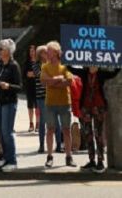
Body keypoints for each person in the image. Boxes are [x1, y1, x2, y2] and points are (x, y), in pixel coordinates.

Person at [68, 64, 120, 173]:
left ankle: (100, 162)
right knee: (88, 134)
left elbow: (114, 73)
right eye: (90, 64)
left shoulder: (101, 74)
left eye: (94, 64)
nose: (92, 66)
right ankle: (91, 160)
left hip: (99, 107)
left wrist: (118, 62)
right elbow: (71, 69)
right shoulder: (84, 73)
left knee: (98, 134)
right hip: (86, 107)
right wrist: (63, 58)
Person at [40, 40, 76, 168]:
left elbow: (69, 81)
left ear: (55, 52)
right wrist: (57, 79)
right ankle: (49, 156)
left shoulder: (65, 65)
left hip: (64, 102)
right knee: (50, 130)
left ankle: (69, 156)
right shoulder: (44, 66)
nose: (46, 53)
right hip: (50, 103)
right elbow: (44, 81)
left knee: (66, 130)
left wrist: (52, 82)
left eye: (48, 51)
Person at [0, 39, 22, 172]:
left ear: (8, 51)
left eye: (1, 49)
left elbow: (19, 87)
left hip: (9, 102)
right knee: (1, 133)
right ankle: (6, 159)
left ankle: (12, 161)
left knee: (7, 132)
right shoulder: (0, 65)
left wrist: (8, 86)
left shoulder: (14, 66)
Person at [34, 45, 48, 153]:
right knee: (42, 122)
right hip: (41, 96)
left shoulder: (52, 63)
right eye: (44, 52)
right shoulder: (36, 65)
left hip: (52, 95)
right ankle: (42, 145)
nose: (47, 54)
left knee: (56, 123)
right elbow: (40, 75)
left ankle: (58, 145)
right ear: (39, 54)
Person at [24, 45, 39, 132]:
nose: (31, 53)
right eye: (30, 51)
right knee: (30, 106)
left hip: (38, 86)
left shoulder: (39, 62)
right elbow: (25, 74)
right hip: (29, 86)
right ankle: (31, 123)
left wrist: (32, 74)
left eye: (33, 51)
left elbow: (39, 74)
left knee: (37, 106)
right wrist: (31, 74)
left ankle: (38, 123)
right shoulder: (27, 62)